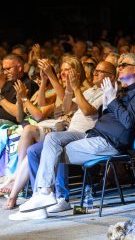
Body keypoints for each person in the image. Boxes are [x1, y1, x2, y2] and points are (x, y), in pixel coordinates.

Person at [16, 53, 135, 216]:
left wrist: (112, 100)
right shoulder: (121, 92)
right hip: (93, 136)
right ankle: (43, 193)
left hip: (109, 143)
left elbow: (129, 122)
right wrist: (111, 101)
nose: (119, 68)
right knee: (52, 139)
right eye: (119, 65)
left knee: (50, 152)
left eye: (123, 65)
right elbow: (108, 118)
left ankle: (43, 198)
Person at [7, 61, 116, 218]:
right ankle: (39, 202)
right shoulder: (90, 90)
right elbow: (67, 108)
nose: (95, 73)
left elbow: (87, 111)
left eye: (100, 71)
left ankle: (60, 197)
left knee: (54, 142)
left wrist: (76, 87)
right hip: (71, 132)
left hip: (86, 134)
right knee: (33, 151)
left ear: (111, 77)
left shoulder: (108, 91)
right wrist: (70, 90)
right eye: (95, 71)